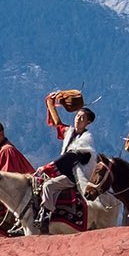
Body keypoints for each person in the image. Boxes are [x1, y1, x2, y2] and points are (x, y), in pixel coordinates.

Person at [34, 93, 96, 231]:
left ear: (88, 123)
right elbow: (58, 123)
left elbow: (70, 157)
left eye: (82, 118)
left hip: (75, 175)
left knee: (48, 186)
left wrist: (47, 167)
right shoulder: (70, 132)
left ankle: (46, 216)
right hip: (64, 170)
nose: (78, 119)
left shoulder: (86, 141)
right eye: (77, 116)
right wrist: (50, 102)